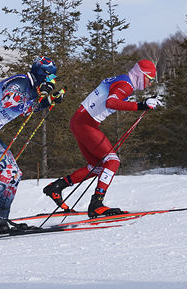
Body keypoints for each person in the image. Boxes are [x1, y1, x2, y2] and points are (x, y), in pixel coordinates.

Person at [43, 59, 161, 218]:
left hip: (79, 122)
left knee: (97, 167)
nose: (149, 83)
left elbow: (112, 99)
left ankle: (57, 187)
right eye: (150, 79)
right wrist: (141, 105)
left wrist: (142, 103)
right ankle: (97, 204)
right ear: (141, 75)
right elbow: (111, 102)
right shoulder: (126, 85)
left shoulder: (122, 80)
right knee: (113, 161)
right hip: (86, 124)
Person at [0, 56, 62, 234]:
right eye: (50, 77)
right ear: (41, 74)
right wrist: (41, 98)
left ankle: (1, 218)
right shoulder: (22, 81)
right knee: (8, 170)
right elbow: (9, 102)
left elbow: (25, 109)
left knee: (15, 173)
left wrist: (46, 102)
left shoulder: (31, 88)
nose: (52, 81)